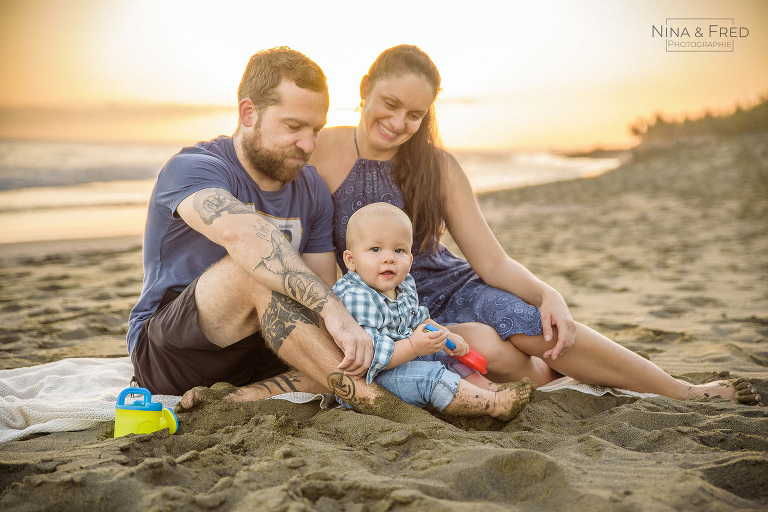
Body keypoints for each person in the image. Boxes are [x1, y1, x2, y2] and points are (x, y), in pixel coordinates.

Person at [306, 44, 761, 405]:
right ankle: (549, 376)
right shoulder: (321, 151)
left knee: (534, 324)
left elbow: (492, 261)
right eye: (390, 103)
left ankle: (679, 389)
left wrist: (548, 294)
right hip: (387, 304)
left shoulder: (437, 167)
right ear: (365, 88)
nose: (399, 122)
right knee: (492, 347)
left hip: (454, 285)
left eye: (415, 114)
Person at [125, 47, 403, 414]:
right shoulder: (193, 168)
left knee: (353, 339)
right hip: (174, 352)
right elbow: (243, 235)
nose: (308, 144)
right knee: (254, 269)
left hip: (266, 347)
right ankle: (375, 402)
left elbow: (319, 287)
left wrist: (346, 329)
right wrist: (336, 313)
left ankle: (255, 393)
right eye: (293, 127)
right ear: (249, 113)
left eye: (315, 130)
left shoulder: (311, 187)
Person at [332, 202, 535, 420]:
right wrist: (412, 347)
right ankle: (491, 404)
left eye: (399, 250)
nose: (389, 257)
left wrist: (446, 336)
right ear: (351, 261)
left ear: (410, 260)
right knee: (430, 377)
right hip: (373, 380)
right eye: (375, 249)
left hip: (406, 359)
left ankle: (489, 389)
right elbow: (370, 357)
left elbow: (419, 320)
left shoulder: (403, 285)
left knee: (445, 356)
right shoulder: (356, 296)